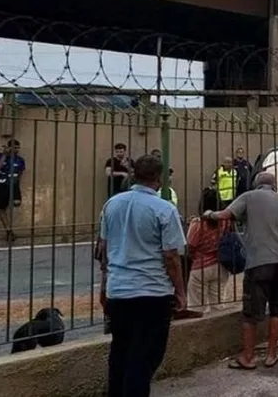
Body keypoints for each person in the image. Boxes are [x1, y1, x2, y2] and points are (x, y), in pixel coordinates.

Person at [97, 154, 187, 397]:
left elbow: (104, 250)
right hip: (152, 293)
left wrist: (104, 287)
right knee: (144, 357)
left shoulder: (111, 204)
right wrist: (180, 292)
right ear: (158, 178)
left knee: (120, 353)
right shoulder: (164, 209)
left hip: (118, 291)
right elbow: (171, 257)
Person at [206, 171, 278, 370]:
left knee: (251, 313)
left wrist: (209, 214)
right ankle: (271, 356)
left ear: (256, 184)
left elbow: (225, 215)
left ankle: (247, 358)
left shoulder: (248, 197)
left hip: (259, 263)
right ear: (274, 186)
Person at [186, 214, 231, 313]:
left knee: (196, 306)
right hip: (220, 265)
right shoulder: (225, 221)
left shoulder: (198, 223)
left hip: (200, 266)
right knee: (218, 306)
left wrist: (192, 256)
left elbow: (190, 245)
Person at [0, 139, 25, 244]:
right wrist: (4, 154)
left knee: (16, 203)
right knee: (2, 208)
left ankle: (10, 228)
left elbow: (20, 174)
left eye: (17, 148)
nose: (16, 150)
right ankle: (9, 231)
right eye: (14, 148)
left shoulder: (20, 160)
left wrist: (17, 187)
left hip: (14, 186)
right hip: (1, 185)